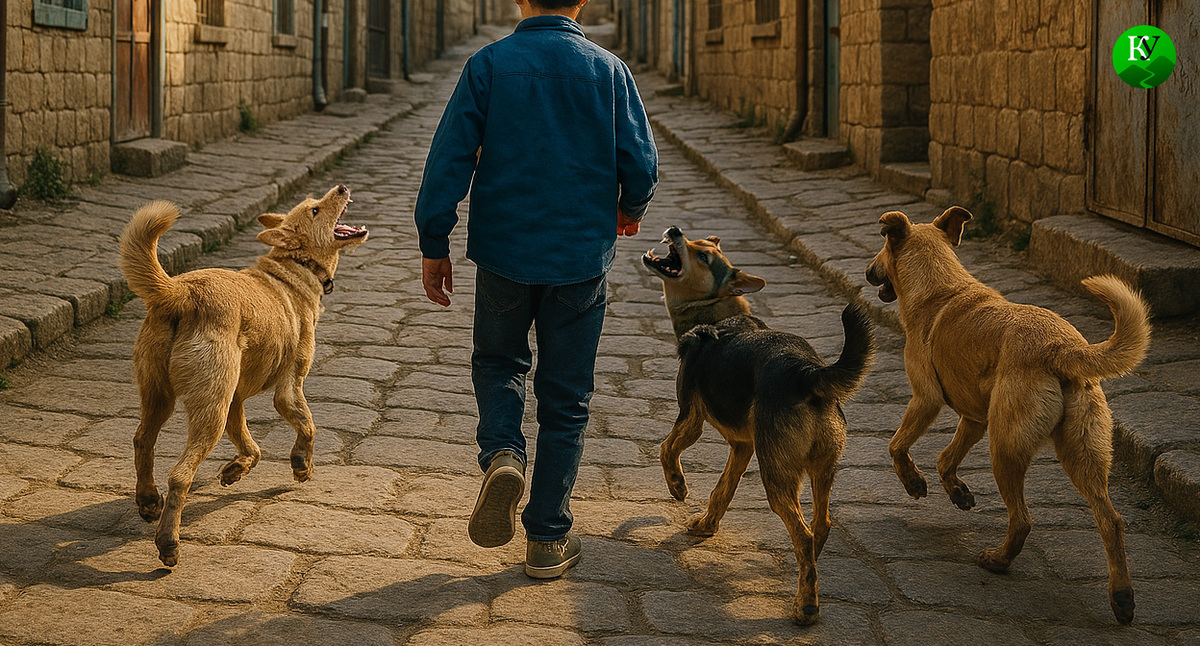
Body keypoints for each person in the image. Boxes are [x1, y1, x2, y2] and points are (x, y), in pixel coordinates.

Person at [413, 0, 658, 579]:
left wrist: (434, 242)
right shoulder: (610, 70)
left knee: (499, 362)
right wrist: (628, 207)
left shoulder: (489, 65)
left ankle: (502, 453)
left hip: (505, 253)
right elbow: (642, 164)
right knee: (566, 398)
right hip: (579, 258)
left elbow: (447, 159)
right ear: (583, 2)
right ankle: (547, 539)